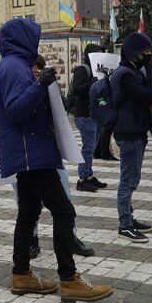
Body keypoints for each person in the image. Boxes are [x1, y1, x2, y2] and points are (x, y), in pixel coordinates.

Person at [0, 18, 111, 303]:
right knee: (64, 211)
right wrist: (42, 84)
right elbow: (17, 110)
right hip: (31, 153)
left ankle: (21, 274)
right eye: (34, 38)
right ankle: (69, 280)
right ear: (24, 39)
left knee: (29, 213)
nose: (38, 44)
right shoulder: (14, 67)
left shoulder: (13, 65)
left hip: (29, 152)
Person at [29, 55, 95, 258]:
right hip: (26, 155)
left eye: (38, 67)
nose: (35, 71)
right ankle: (31, 238)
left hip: (50, 152)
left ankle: (70, 236)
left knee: (64, 197)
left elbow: (62, 108)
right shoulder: (18, 86)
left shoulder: (48, 86)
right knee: (28, 204)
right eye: (32, 68)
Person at [109, 33, 152, 243]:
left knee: (131, 177)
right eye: (145, 52)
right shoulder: (126, 74)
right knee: (128, 180)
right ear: (134, 54)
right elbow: (145, 95)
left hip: (135, 129)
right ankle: (125, 224)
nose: (149, 56)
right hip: (128, 132)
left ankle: (129, 217)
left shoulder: (133, 70)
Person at [67, 44, 107, 193]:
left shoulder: (98, 69)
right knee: (88, 147)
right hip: (84, 115)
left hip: (94, 114)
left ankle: (88, 176)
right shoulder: (83, 69)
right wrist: (92, 83)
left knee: (91, 147)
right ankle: (83, 179)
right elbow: (77, 89)